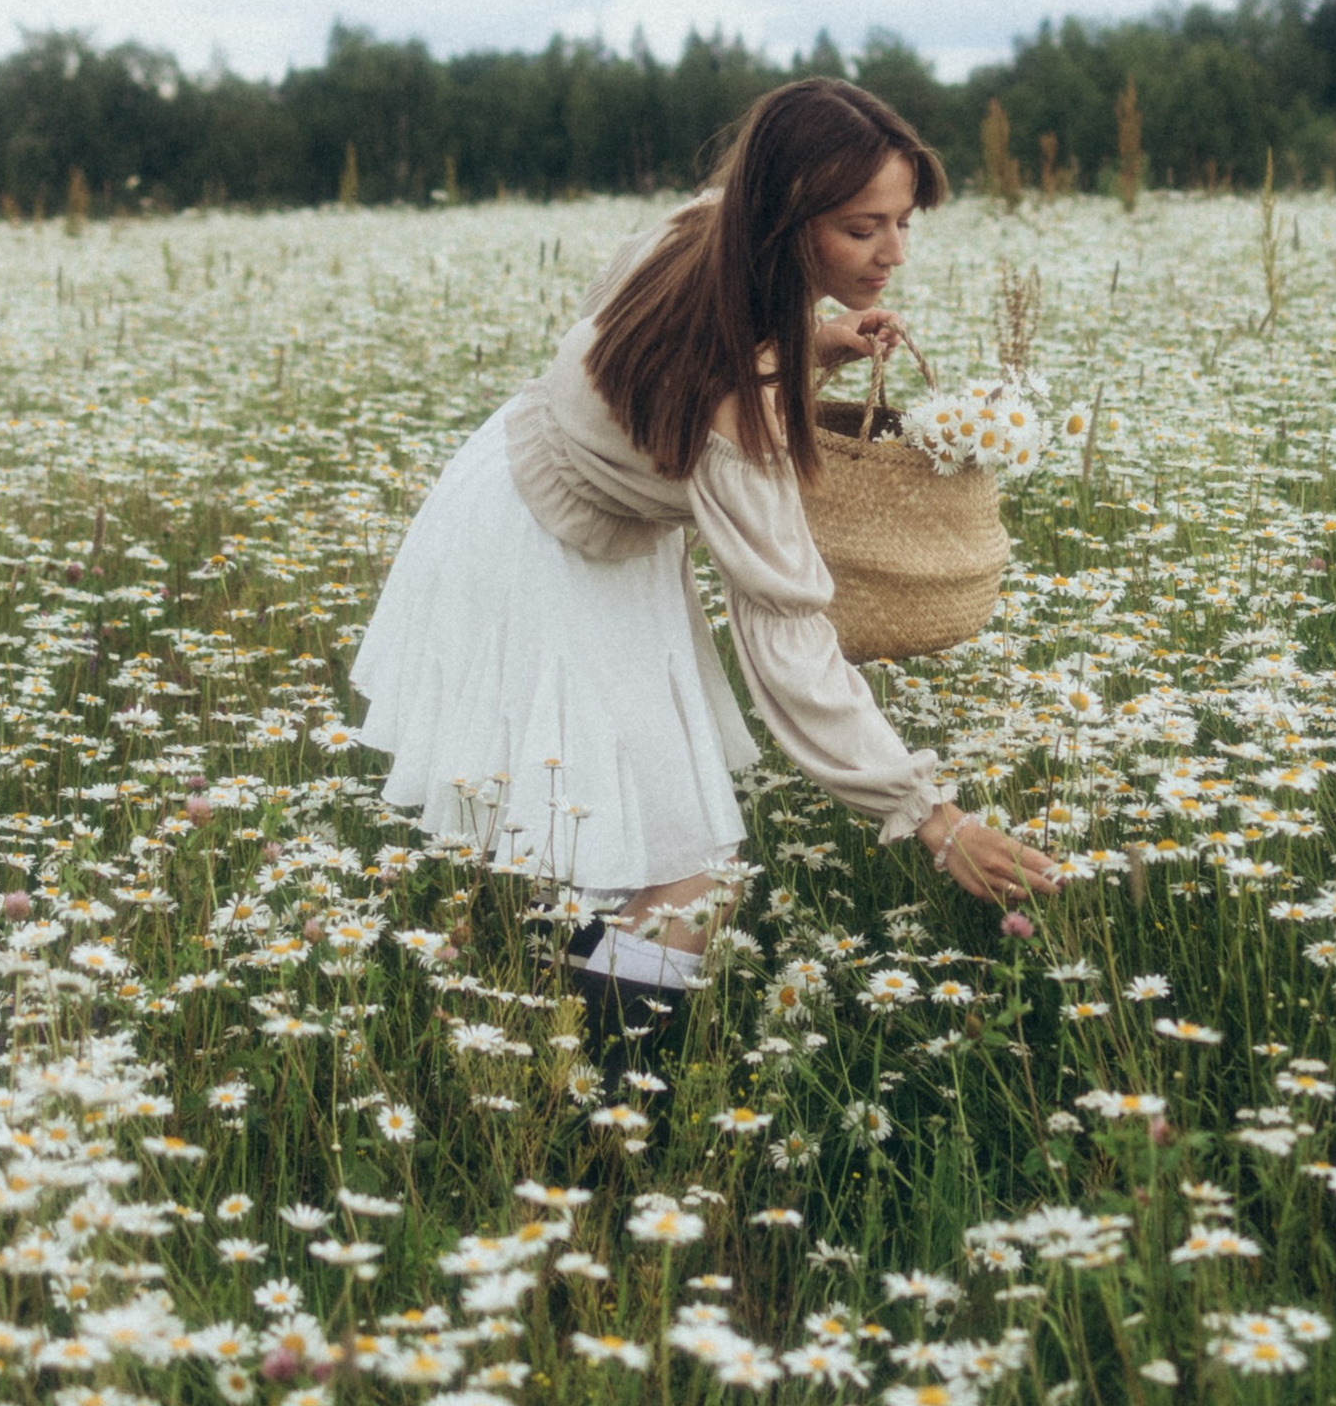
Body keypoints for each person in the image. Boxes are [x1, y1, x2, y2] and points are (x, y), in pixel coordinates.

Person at [351, 77, 1058, 1040]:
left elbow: (657, 352)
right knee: (688, 876)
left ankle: (557, 1031)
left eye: (902, 222)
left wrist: (808, 344)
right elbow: (788, 637)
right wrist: (931, 816)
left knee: (611, 829)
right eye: (862, 228)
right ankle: (606, 1092)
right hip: (546, 552)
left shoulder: (702, 231)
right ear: (787, 219)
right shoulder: (740, 418)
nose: (894, 253)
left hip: (522, 482)